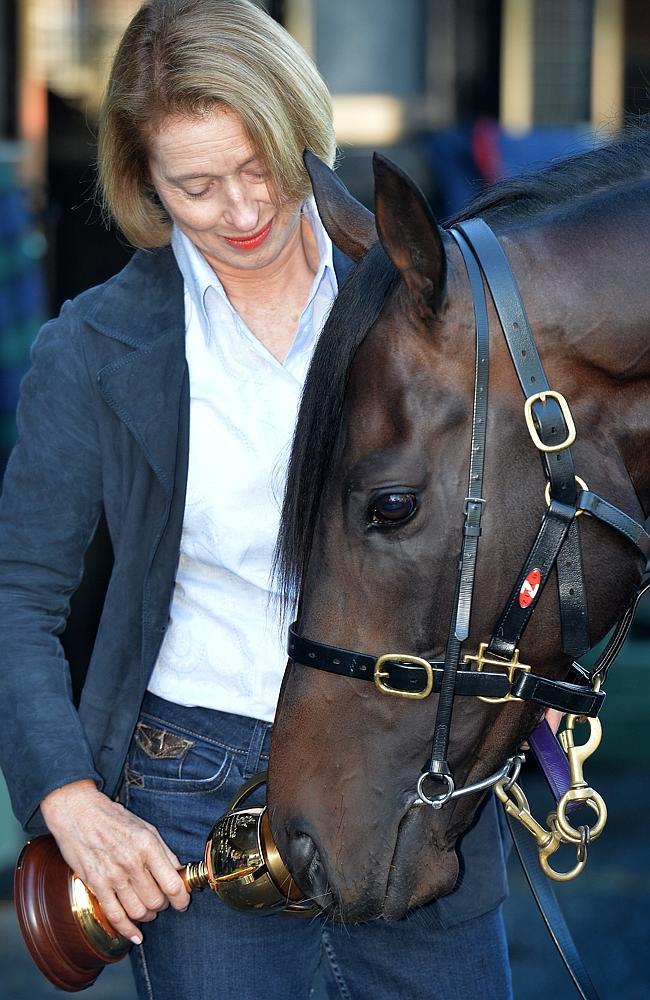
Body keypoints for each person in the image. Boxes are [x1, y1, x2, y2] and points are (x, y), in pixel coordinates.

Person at [0, 2, 514, 997]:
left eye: (258, 167)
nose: (239, 212)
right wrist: (64, 794)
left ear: (300, 132)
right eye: (193, 185)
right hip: (195, 789)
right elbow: (19, 596)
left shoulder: (424, 300)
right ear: (143, 182)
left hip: (412, 776)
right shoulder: (93, 349)